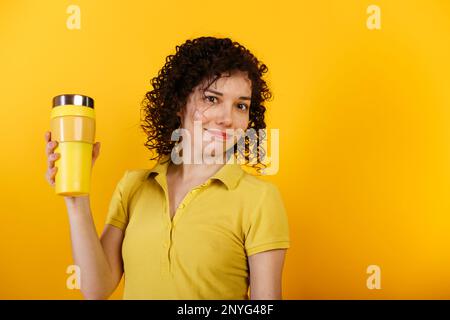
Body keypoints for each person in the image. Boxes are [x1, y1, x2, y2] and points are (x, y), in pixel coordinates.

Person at [44, 37, 290, 300]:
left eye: (241, 105)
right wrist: (76, 199)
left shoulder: (259, 199)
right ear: (179, 102)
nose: (227, 119)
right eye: (212, 99)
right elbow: (96, 287)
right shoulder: (134, 186)